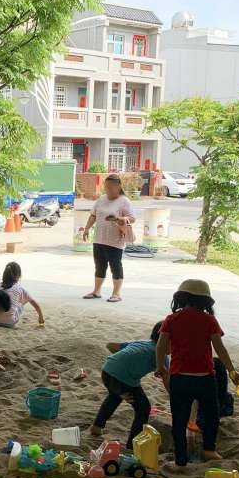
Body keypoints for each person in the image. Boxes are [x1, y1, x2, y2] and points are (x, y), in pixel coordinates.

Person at [154, 279, 239, 467]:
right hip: (205, 378)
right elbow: (220, 349)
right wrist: (232, 371)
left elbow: (160, 346)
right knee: (212, 415)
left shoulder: (171, 319)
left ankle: (180, 457)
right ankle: (209, 449)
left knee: (179, 419)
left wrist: (160, 366)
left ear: (180, 298)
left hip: (179, 378)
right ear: (206, 301)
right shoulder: (209, 320)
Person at [90, 321, 167, 447]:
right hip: (123, 380)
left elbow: (110, 346)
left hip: (107, 371)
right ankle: (132, 444)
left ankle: (97, 427)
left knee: (115, 397)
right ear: (166, 341)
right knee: (143, 408)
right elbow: (167, 381)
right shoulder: (162, 356)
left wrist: (126, 361)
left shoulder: (141, 342)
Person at [82, 174, 135, 303]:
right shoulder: (101, 199)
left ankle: (116, 293)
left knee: (115, 266)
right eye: (106, 186)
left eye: (111, 187)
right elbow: (93, 216)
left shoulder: (124, 201)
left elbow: (132, 218)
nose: (108, 189)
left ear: (118, 187)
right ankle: (96, 291)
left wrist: (118, 219)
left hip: (115, 241)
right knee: (99, 266)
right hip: (99, 238)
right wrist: (87, 228)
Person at [0, 262, 44, 327]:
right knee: (20, 303)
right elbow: (35, 305)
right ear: (18, 276)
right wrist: (41, 317)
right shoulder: (20, 289)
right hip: (10, 322)